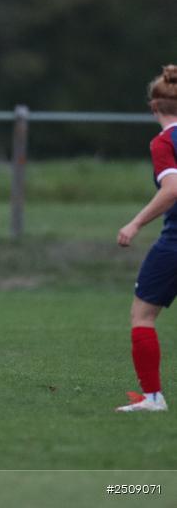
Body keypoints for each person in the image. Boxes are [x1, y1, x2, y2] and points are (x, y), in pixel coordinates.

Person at [115, 65, 177, 412]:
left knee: (143, 315)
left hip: (175, 242)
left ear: (154, 107)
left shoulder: (164, 142)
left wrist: (135, 223)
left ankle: (153, 398)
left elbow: (172, 189)